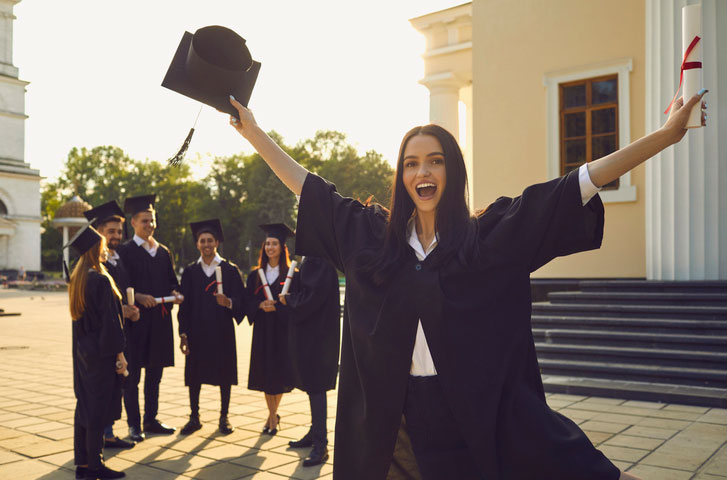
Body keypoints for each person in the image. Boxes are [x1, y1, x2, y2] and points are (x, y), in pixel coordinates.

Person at [225, 91, 707, 480]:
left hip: (474, 411)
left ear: (451, 170)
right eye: (411, 163)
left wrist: (665, 137)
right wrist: (253, 132)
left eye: (434, 161)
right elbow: (310, 188)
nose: (422, 172)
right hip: (398, 420)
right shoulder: (377, 242)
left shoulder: (486, 239)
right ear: (401, 176)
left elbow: (575, 186)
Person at [116, 194, 183, 442]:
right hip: (136, 324)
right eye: (145, 221)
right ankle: (134, 425)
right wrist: (138, 296)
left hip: (160, 322)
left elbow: (171, 282)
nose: (150, 225)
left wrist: (175, 292)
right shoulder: (124, 252)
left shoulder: (164, 252)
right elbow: (118, 287)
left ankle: (151, 419)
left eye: (152, 220)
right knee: (132, 377)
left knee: (155, 374)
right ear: (132, 222)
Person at [66, 224, 127, 480]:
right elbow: (111, 324)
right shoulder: (100, 280)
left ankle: (82, 462)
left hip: (83, 353)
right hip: (101, 354)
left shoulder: (78, 279)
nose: (105, 250)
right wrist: (120, 356)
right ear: (95, 249)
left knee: (84, 406)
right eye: (101, 246)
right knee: (97, 409)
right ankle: (95, 465)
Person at [177, 219, 247, 435]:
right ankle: (194, 416)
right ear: (197, 244)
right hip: (197, 332)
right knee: (194, 376)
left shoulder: (229, 270)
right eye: (202, 241)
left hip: (222, 332)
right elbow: (184, 306)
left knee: (224, 375)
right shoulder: (190, 272)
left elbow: (242, 301)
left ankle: (224, 416)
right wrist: (183, 334)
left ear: (217, 242)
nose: (206, 244)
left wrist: (229, 302)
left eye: (210, 240)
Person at [84, 201, 140, 450]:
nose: (116, 236)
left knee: (117, 383)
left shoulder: (119, 259)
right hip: (102, 337)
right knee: (105, 385)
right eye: (111, 231)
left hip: (121, 333)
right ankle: (103, 435)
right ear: (99, 232)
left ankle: (107, 433)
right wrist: (122, 311)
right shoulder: (96, 264)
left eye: (119, 232)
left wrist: (132, 309)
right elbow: (99, 304)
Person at [279, 256, 340, 467]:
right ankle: (314, 433)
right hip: (310, 335)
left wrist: (289, 299)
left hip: (318, 337)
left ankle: (321, 445)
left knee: (316, 387)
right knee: (311, 385)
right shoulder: (310, 260)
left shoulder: (320, 261)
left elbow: (311, 299)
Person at [245, 223, 296, 435]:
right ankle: (273, 416)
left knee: (279, 375)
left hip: (282, 330)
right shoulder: (255, 275)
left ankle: (272, 416)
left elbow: (295, 302)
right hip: (263, 331)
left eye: (274, 244)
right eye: (267, 244)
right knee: (266, 374)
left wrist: (283, 304)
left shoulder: (292, 274)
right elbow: (245, 300)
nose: (270, 247)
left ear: (282, 247)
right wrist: (259, 305)